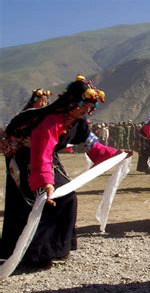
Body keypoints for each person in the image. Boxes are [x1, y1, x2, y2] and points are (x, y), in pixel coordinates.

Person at [0, 74, 131, 269]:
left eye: (91, 107)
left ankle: (57, 248)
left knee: (67, 196)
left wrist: (116, 154)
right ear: (72, 102)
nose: (87, 110)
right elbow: (41, 153)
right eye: (84, 105)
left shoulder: (78, 122)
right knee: (42, 200)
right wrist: (46, 182)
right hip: (24, 157)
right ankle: (36, 254)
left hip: (45, 156)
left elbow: (92, 145)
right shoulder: (51, 121)